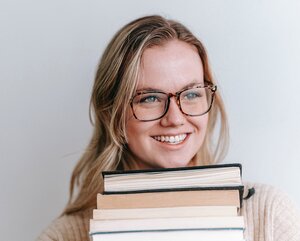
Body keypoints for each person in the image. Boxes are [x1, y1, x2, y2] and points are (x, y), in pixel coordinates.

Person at [37, 15, 300, 241]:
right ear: (112, 113)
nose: (175, 118)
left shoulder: (268, 215)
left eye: (192, 94)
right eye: (149, 98)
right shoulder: (64, 236)